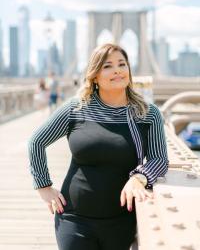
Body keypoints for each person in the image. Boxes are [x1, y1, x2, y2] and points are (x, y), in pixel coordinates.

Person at [28, 43, 169, 250]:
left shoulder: (147, 113)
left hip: (122, 221)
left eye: (122, 64)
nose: (117, 70)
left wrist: (139, 178)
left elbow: (159, 160)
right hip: (74, 218)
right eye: (107, 66)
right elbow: (36, 142)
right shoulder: (76, 109)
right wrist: (43, 187)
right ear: (94, 75)